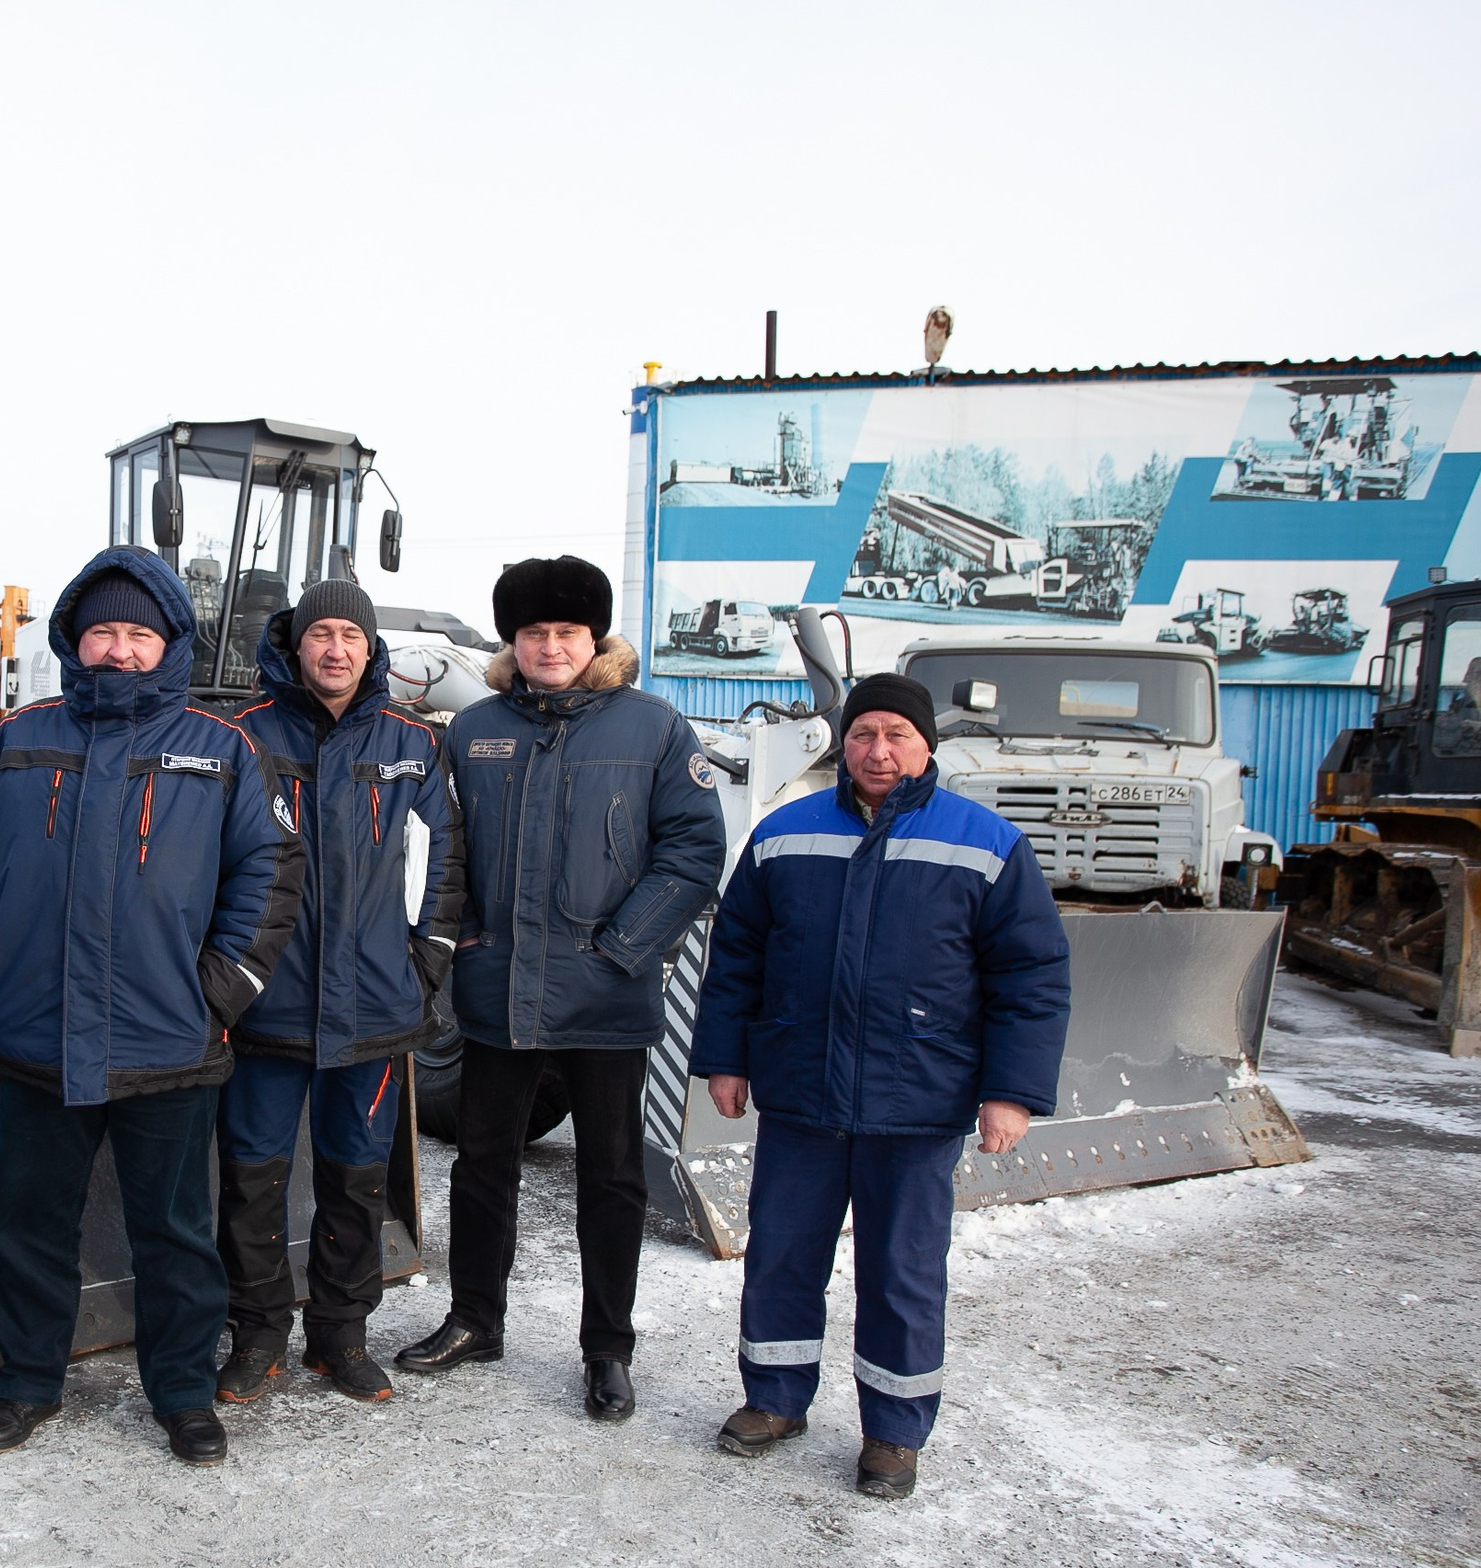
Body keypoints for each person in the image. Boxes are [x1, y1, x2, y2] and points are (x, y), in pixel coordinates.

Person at [0, 546, 302, 1467]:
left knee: (175, 1231)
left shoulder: (225, 750)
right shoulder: (17, 739)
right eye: (105, 630)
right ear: (75, 639)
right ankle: (25, 1382)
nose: (121, 648)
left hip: (170, 1042)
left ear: (168, 643)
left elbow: (269, 875)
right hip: (37, 1036)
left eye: (140, 633)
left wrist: (220, 991)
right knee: (28, 1221)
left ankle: (181, 1390)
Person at [687, 672, 1070, 1499]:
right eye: (863, 734)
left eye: (897, 733)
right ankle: (774, 1399)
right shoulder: (785, 834)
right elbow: (738, 957)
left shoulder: (987, 842)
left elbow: (1031, 977)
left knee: (902, 1270)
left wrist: (1012, 1091)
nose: (879, 750)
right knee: (783, 1255)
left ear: (927, 744)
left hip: (917, 1100)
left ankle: (894, 1431)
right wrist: (726, 1058)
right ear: (844, 743)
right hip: (802, 1093)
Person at [395, 556, 727, 1420]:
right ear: (513, 640)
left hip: (606, 996)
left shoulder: (653, 728)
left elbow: (693, 851)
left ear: (594, 639)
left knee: (612, 1178)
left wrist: (625, 946)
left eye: (566, 633)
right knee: (482, 1164)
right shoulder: (473, 732)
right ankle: (475, 1318)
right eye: (534, 632)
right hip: (499, 991)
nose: (550, 646)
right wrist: (456, 937)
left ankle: (607, 1351)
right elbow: (443, 848)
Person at [216, 580, 464, 1406]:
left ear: (369, 649)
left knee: (356, 1182)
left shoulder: (412, 743)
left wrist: (421, 965)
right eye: (320, 633)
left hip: (373, 1015)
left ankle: (340, 1336)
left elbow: (442, 871)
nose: (335, 649)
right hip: (264, 1013)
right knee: (251, 1182)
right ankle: (256, 1337)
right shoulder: (240, 738)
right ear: (294, 645)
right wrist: (224, 984)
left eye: (349, 636)